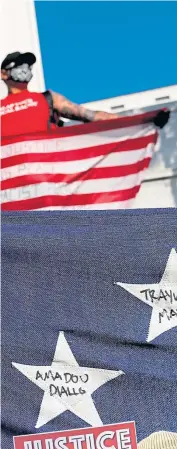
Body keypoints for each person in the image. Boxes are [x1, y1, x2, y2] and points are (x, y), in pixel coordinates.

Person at [1, 51, 119, 138]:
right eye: (19, 65)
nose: (25, 69)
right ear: (4, 74)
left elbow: (91, 116)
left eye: (27, 66)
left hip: (47, 167)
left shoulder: (47, 98)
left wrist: (132, 121)